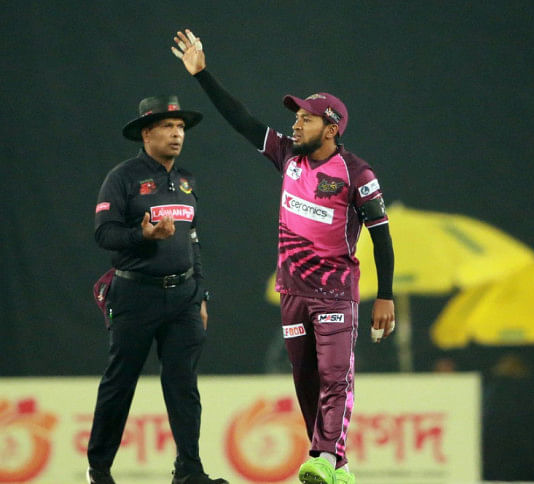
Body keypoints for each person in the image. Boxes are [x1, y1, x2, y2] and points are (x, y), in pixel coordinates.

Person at [171, 29, 396, 484]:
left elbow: (382, 236)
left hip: (335, 292)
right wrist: (202, 74)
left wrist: (385, 295)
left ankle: (323, 455)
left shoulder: (357, 173)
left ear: (331, 128)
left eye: (306, 119)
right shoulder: (288, 156)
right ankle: (338, 466)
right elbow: (242, 119)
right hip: (292, 291)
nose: (295, 125)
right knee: (305, 380)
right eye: (295, 117)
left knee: (336, 376)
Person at [88, 95, 227, 484]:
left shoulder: (186, 180)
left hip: (183, 297)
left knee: (183, 384)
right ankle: (99, 469)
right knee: (121, 381)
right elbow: (104, 234)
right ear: (147, 133)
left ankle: (189, 470)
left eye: (181, 127)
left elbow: (192, 240)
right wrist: (142, 235)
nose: (177, 133)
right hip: (135, 294)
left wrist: (200, 292)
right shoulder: (123, 177)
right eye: (168, 126)